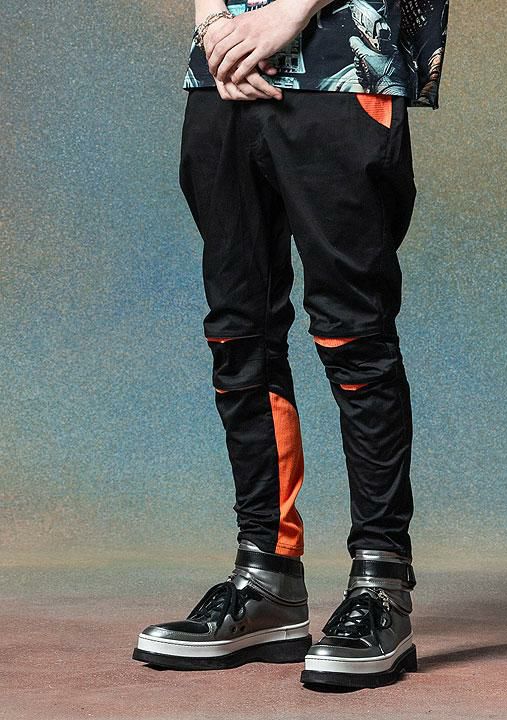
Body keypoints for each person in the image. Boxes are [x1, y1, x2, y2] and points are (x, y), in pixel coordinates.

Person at [133, 0, 449, 689]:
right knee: (237, 333)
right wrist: (213, 28)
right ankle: (266, 576)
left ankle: (382, 583)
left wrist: (289, 14)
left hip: (341, 62)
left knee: (354, 333)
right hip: (222, 75)